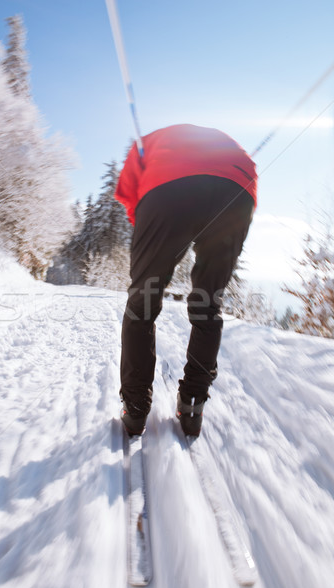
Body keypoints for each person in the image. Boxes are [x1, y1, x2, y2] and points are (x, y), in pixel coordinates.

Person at [115, 124, 257, 437]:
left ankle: (135, 408)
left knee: (142, 301)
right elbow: (248, 175)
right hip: (238, 187)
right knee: (208, 302)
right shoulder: (225, 145)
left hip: (168, 189)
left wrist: (150, 237)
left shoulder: (145, 144)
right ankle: (192, 403)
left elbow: (129, 196)